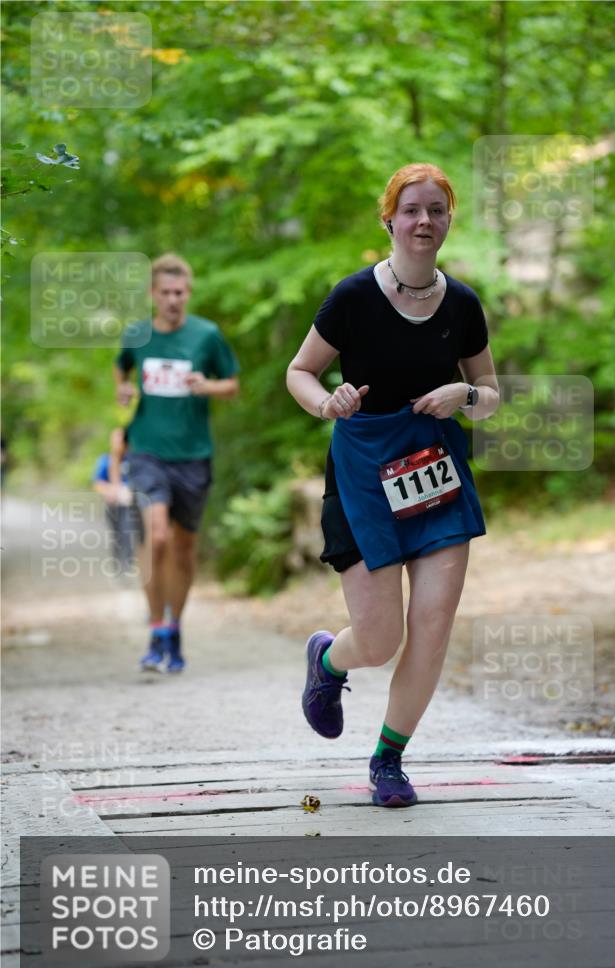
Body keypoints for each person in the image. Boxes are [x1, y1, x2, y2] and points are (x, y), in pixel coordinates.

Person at [286, 162, 500, 807]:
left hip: (434, 476)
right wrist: (328, 403)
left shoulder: (462, 304)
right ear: (390, 219)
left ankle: (388, 760)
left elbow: (489, 393)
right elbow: (301, 371)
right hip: (363, 477)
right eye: (411, 210)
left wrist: (464, 393)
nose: (424, 221)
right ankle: (327, 662)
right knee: (378, 642)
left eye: (436, 209)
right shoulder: (352, 297)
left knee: (432, 626)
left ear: (448, 219)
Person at [114, 254, 240, 673]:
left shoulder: (207, 336)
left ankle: (174, 625)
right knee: (158, 536)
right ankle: (154, 630)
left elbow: (232, 386)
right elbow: (122, 371)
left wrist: (208, 386)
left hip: (193, 455)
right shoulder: (137, 334)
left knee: (184, 549)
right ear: (153, 294)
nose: (172, 300)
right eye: (165, 293)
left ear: (188, 293)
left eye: (179, 293)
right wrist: (124, 391)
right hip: (147, 450)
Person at [92, 427, 141, 574]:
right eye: (115, 439)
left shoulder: (134, 460)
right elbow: (98, 483)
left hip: (130, 504)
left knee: (129, 533)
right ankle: (118, 566)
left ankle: (129, 565)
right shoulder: (105, 460)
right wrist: (110, 491)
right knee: (116, 535)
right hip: (112, 505)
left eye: (120, 439)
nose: (118, 443)